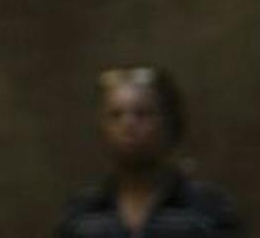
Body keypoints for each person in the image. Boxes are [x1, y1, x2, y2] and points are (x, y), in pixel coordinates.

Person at [56, 67, 242, 236]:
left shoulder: (207, 209)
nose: (128, 125)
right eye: (115, 115)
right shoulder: (82, 213)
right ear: (102, 128)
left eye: (143, 114)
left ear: (170, 125)